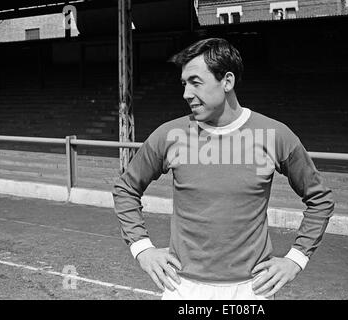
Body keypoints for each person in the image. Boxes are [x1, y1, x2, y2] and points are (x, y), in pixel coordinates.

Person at [112, 38, 335, 300]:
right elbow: (126, 188)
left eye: (195, 82)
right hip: (182, 287)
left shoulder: (275, 135)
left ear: (227, 81)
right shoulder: (169, 135)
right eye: (184, 84)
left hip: (252, 289)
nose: (186, 93)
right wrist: (143, 249)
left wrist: (296, 259)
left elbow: (320, 199)